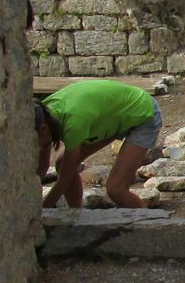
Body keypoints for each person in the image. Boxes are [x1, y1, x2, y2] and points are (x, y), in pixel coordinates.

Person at [34, 79, 162, 209]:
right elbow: (41, 167)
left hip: (143, 113)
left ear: (43, 129)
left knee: (116, 189)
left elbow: (65, 179)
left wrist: (41, 214)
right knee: (62, 163)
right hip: (111, 116)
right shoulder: (43, 113)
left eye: (32, 140)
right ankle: (75, 216)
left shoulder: (73, 122)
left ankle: (150, 222)